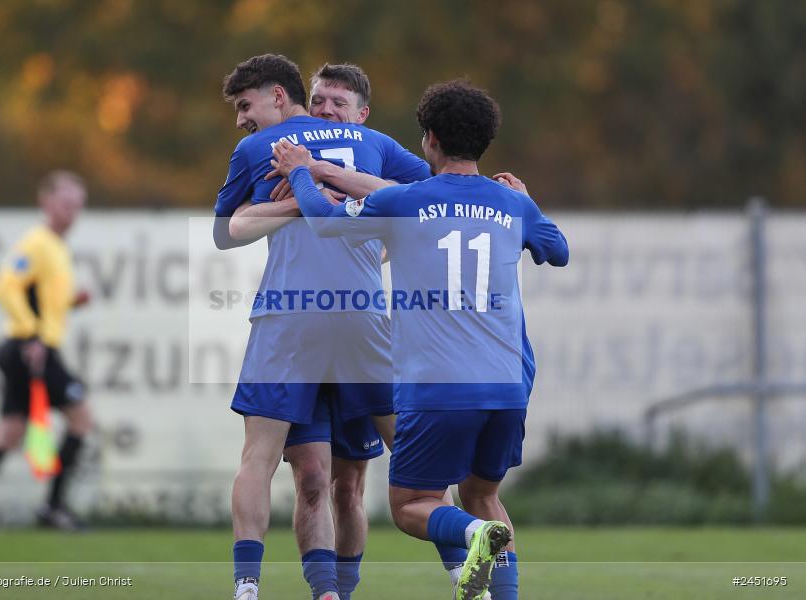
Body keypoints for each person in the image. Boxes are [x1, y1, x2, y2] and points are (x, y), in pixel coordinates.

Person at [272, 80, 569, 600]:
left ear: (429, 140)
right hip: (506, 386)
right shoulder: (511, 204)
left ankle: (476, 536)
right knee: (482, 495)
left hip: (438, 387)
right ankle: (494, 565)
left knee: (413, 505)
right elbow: (557, 250)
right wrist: (527, 200)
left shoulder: (407, 200)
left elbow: (323, 221)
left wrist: (300, 170)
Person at [214, 54, 431, 600]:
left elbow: (424, 200)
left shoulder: (371, 147)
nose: (326, 110)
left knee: (351, 481)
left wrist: (324, 181)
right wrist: (300, 202)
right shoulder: (269, 150)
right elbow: (229, 227)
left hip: (347, 322)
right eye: (321, 100)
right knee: (310, 474)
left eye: (246, 106)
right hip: (301, 318)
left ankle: (457, 557)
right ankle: (293, 591)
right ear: (303, 99)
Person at [0, 170, 94, 531]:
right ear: (45, 202)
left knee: (9, 431)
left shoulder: (55, 246)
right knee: (81, 417)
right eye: (65, 202)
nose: (71, 210)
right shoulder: (37, 242)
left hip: (32, 347)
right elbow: (6, 287)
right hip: (33, 350)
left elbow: (39, 298)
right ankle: (53, 508)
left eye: (77, 204)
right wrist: (30, 337)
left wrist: (71, 302)